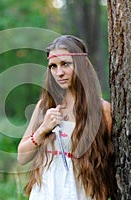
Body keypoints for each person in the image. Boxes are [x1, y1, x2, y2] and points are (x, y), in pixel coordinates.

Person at [17, 35, 116, 200]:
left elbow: (108, 165)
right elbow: (22, 157)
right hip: (47, 191)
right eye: (53, 66)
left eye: (65, 64)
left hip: (83, 192)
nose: (59, 72)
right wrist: (43, 130)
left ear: (82, 64)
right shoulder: (45, 106)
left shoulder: (102, 109)